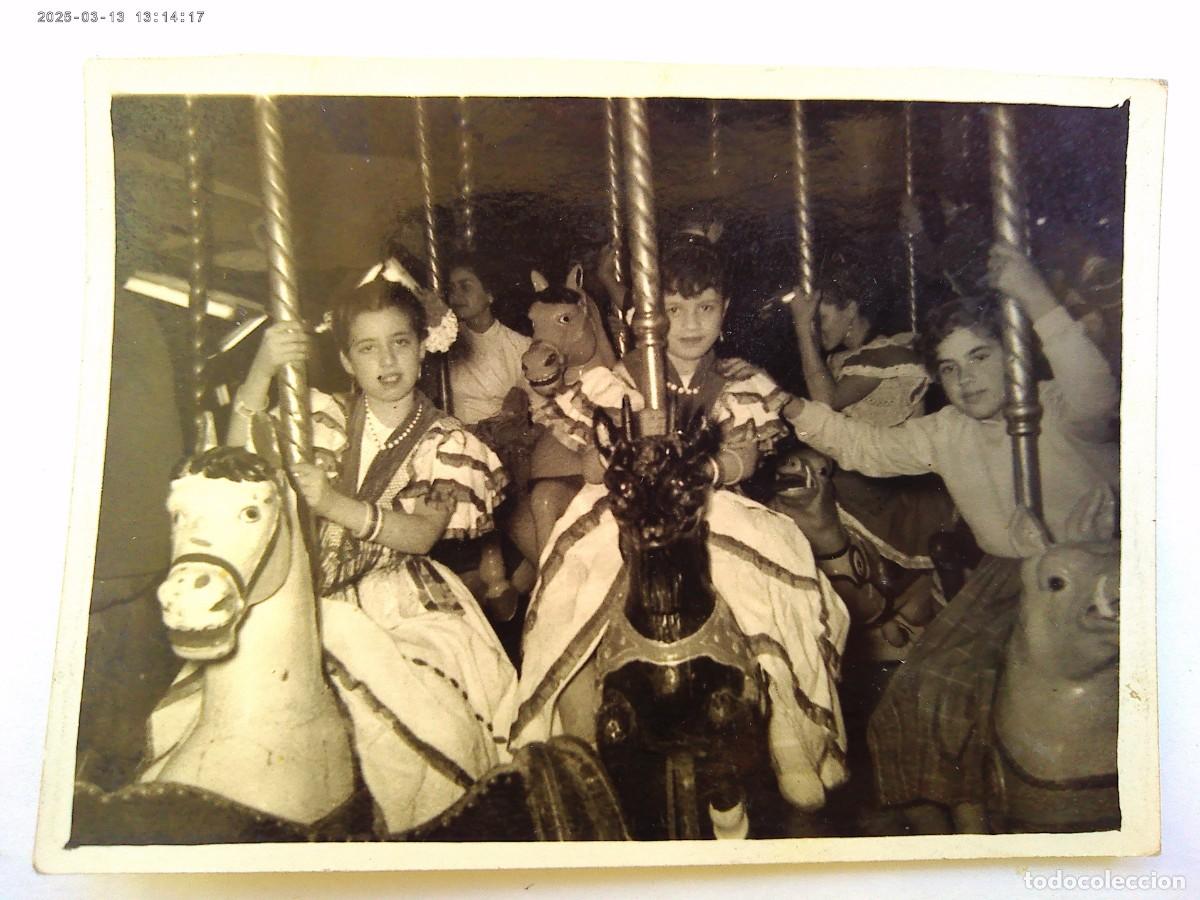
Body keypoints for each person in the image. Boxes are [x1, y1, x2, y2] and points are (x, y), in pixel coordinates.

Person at [782, 240, 1119, 830]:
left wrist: (1035, 297)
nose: (966, 379)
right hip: (1004, 576)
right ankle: (961, 824)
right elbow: (865, 448)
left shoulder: (1060, 407)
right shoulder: (947, 430)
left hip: (1097, 569)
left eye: (981, 357)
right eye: (950, 369)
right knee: (924, 687)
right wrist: (789, 407)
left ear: (1014, 354)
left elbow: (1096, 389)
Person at [512, 239, 851, 813]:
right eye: (673, 309)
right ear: (645, 316)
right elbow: (592, 464)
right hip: (621, 509)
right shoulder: (614, 384)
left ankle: (791, 728)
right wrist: (624, 450)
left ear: (725, 310)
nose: (690, 324)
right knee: (575, 590)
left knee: (761, 576)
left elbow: (745, 458)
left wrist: (707, 469)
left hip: (710, 506)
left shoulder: (738, 383)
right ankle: (575, 736)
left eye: (705, 308)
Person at [227, 278, 518, 834]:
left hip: (398, 596)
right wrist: (262, 371)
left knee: (433, 720)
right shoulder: (320, 418)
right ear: (346, 360)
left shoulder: (444, 441)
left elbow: (421, 534)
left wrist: (332, 504)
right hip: (310, 594)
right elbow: (236, 460)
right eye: (368, 348)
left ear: (422, 347)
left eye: (400, 343)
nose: (386, 362)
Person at [788, 268, 956, 651]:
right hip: (866, 471)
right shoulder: (848, 359)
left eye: (820, 317)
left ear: (851, 309)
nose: (815, 329)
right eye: (810, 321)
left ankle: (896, 597)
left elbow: (826, 404)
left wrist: (801, 331)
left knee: (818, 488)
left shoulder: (885, 354)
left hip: (895, 479)